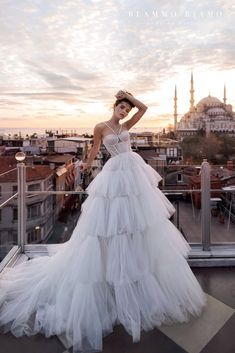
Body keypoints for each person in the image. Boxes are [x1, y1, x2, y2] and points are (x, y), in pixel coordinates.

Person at [0, 91, 206, 352]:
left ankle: (132, 274)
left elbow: (144, 109)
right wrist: (86, 165)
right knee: (110, 226)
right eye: (122, 107)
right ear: (114, 107)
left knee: (137, 225)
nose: (125, 112)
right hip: (114, 176)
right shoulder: (100, 127)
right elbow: (95, 149)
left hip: (133, 174)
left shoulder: (127, 125)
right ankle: (112, 277)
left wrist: (130, 95)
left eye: (127, 110)